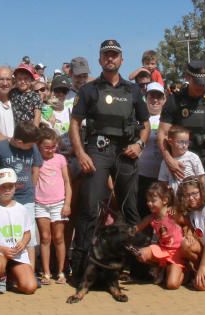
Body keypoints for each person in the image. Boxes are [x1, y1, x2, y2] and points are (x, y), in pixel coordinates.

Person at [68, 39, 150, 281]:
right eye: (106, 55)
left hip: (126, 152)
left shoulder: (133, 90)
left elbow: (145, 126)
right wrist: (81, 153)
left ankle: (137, 268)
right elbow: (74, 123)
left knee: (130, 210)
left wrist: (140, 144)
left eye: (115, 55)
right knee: (90, 210)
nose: (110, 58)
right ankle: (81, 270)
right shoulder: (89, 90)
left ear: (122, 59)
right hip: (97, 150)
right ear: (100, 59)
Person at [158, 60, 205, 174]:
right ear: (187, 77)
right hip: (181, 163)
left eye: (204, 83)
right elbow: (162, 133)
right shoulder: (174, 100)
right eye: (197, 82)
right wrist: (168, 159)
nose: (201, 86)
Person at [0, 123, 43, 266]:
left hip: (26, 197)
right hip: (5, 198)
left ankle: (30, 269)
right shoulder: (1, 147)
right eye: (30, 144)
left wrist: (31, 188)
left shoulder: (33, 147)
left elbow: (36, 167)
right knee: (4, 232)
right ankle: (5, 269)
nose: (32, 146)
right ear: (19, 142)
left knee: (29, 234)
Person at [0, 168, 38, 295]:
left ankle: (11, 276)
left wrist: (23, 243)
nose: (7, 189)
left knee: (30, 287)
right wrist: (1, 248)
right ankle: (0, 277)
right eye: (2, 186)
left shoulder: (22, 209)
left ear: (15, 187)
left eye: (10, 186)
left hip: (18, 254)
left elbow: (27, 233)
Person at [34, 127, 71, 285]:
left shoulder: (60, 159)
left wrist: (67, 203)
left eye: (53, 147)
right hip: (40, 203)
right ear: (39, 146)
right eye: (46, 147)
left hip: (58, 203)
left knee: (58, 238)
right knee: (45, 238)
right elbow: (33, 181)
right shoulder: (36, 159)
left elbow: (67, 182)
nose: (50, 150)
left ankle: (61, 271)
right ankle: (46, 272)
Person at [133, 182, 184, 290]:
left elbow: (188, 223)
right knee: (140, 254)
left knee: (172, 285)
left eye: (153, 201)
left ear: (165, 200)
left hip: (176, 252)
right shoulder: (151, 217)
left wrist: (188, 233)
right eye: (148, 201)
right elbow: (135, 229)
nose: (149, 204)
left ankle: (185, 272)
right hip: (162, 249)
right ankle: (161, 266)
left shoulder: (172, 214)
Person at [136, 82, 167, 218]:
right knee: (143, 212)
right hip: (142, 175)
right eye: (151, 96)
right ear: (146, 98)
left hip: (163, 176)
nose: (155, 100)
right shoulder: (138, 118)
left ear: (164, 99)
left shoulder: (168, 118)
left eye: (159, 97)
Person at [157, 125, 205, 190]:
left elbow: (201, 177)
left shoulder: (193, 157)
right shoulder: (166, 161)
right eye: (181, 142)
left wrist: (204, 192)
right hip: (174, 197)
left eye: (187, 142)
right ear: (170, 142)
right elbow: (163, 181)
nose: (184, 145)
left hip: (191, 196)